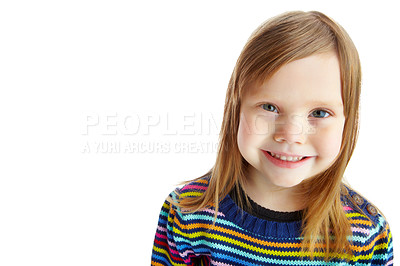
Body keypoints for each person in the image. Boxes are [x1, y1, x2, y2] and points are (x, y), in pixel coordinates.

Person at [150, 10, 393, 265]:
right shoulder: (188, 212)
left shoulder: (366, 235)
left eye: (319, 113)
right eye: (269, 107)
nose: (290, 135)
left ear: (348, 121)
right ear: (237, 109)